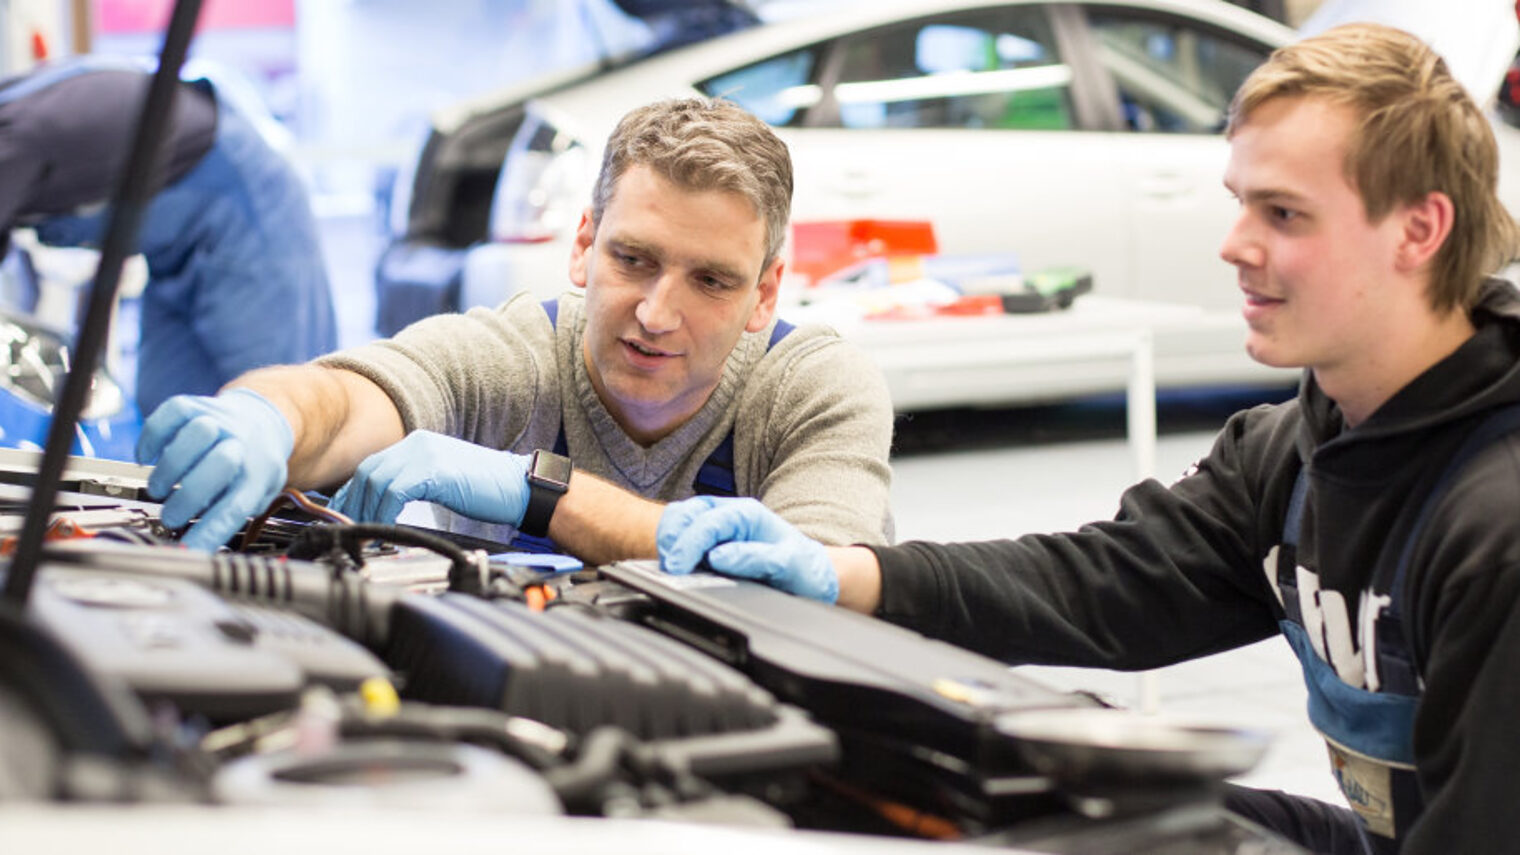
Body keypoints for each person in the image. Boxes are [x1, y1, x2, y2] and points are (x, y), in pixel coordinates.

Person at [657, 23, 1520, 855]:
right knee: (1039, 792)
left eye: (1285, 214)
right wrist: (849, 573)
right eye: (1239, 204)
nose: (1234, 245)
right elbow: (1101, 585)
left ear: (1419, 230)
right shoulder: (1292, 454)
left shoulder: (1496, 523)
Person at [138, 96, 894, 561]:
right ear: (581, 246)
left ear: (764, 294)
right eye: (633, 258)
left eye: (712, 281)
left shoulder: (814, 389)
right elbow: (342, 403)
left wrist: (539, 495)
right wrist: (267, 416)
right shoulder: (518, 357)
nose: (658, 314)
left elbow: (821, 584)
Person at [0, 58, 337, 416]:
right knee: (167, 421)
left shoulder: (13, 139)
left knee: (272, 412)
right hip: (172, 247)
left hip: (246, 209)